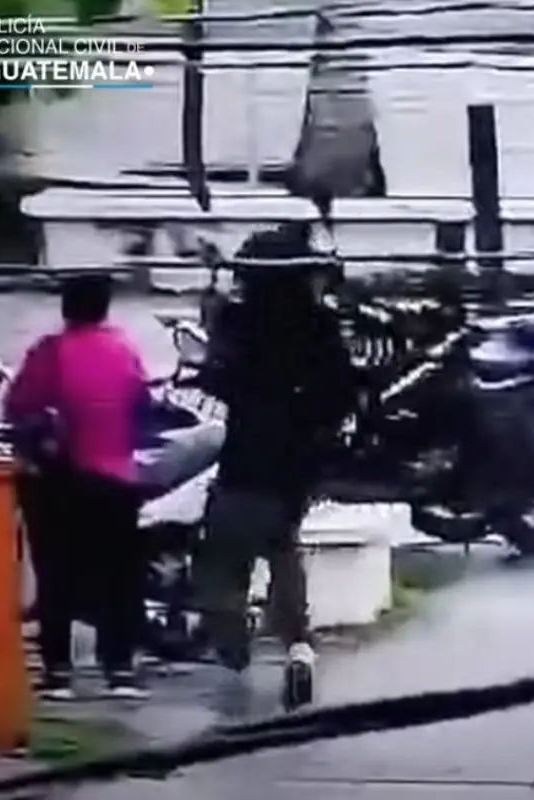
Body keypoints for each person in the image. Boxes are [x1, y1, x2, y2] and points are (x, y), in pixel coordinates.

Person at [194, 256, 354, 709]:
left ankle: (232, 636)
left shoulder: (238, 321)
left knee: (225, 554)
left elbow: (217, 378)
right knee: (283, 546)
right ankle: (298, 646)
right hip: (297, 460)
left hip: (246, 453)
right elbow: (342, 391)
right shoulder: (319, 325)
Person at [5, 275, 151, 700]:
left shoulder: (50, 351)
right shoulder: (124, 350)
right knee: (119, 576)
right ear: (105, 307)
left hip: (62, 479)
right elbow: (142, 406)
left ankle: (58, 674)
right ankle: (120, 669)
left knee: (56, 574)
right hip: (118, 479)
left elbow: (18, 407)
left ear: (66, 306)